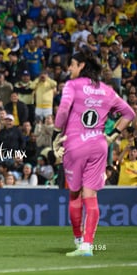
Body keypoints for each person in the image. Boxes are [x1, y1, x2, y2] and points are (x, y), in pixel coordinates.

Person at [53, 48, 136, 257]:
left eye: (72, 64)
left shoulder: (72, 85)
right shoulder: (107, 90)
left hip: (75, 143)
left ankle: (78, 239)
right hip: (98, 144)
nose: (69, 68)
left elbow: (63, 110)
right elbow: (129, 113)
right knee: (91, 196)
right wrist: (112, 135)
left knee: (74, 193)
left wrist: (56, 132)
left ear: (81, 66)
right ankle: (88, 246)